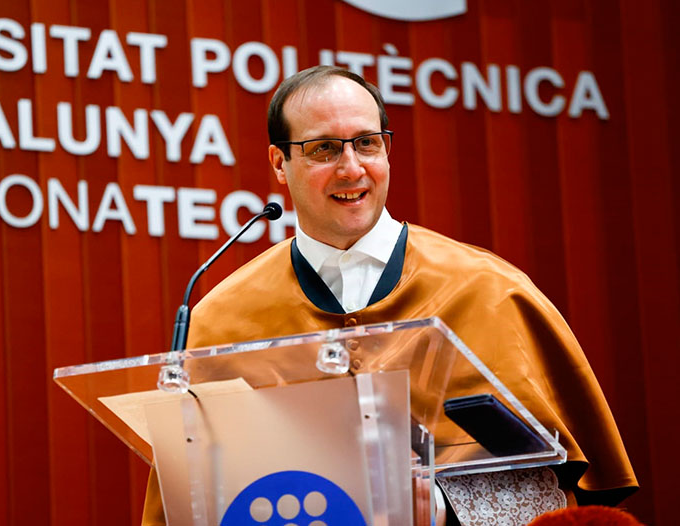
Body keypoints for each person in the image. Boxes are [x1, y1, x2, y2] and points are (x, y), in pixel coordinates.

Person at [142, 66, 637, 525]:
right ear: (279, 162)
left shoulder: (488, 290)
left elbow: (550, 487)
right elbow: (189, 499)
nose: (351, 168)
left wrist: (437, 508)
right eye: (324, 149)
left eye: (367, 143)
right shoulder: (221, 317)